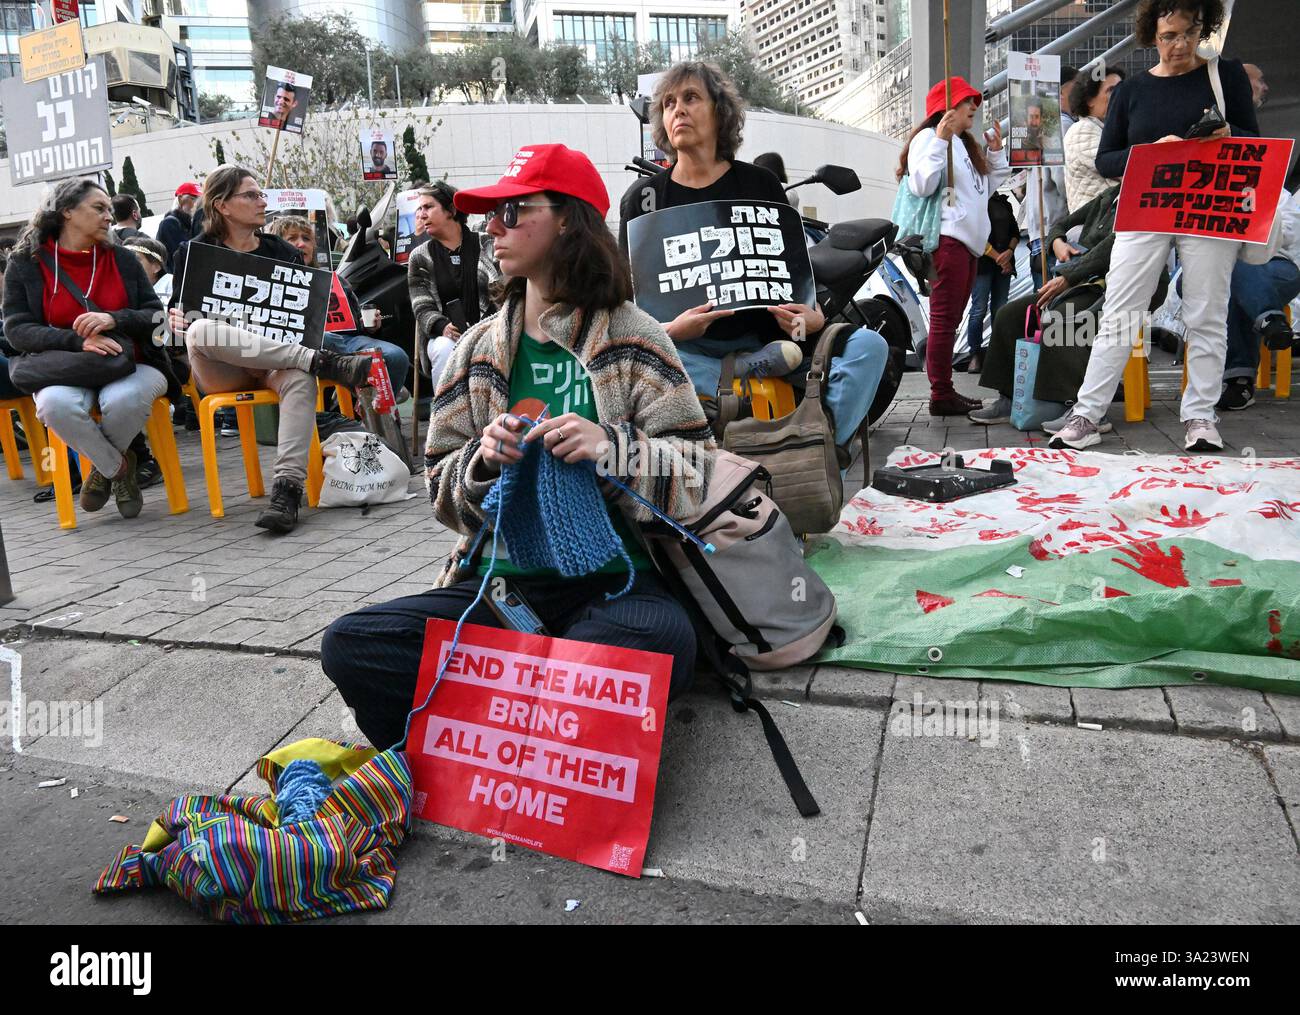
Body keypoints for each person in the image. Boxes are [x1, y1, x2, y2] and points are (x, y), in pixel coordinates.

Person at [320, 143, 716, 750]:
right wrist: (480, 463)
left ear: (568, 220)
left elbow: (695, 471)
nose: (493, 228)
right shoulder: (475, 350)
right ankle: (548, 703)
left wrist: (612, 447)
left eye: (514, 211)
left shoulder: (637, 337)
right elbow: (438, 488)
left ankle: (500, 707)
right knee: (352, 644)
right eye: (490, 215)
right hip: (497, 589)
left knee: (661, 644)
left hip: (617, 585)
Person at [620, 61, 890, 460]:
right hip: (686, 350)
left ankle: (824, 453)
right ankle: (742, 373)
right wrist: (671, 330)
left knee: (870, 348)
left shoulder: (760, 184)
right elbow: (629, 304)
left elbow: (792, 273)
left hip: (770, 340)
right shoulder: (643, 198)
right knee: (636, 364)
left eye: (691, 98)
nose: (677, 109)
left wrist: (810, 319)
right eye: (669, 103)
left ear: (720, 112)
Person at [1050, 0, 1259, 452]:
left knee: (1207, 313)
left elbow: (1254, 141)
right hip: (1148, 205)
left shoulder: (1226, 76)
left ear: (1203, 28)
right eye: (1168, 36)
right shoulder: (1132, 90)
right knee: (1121, 309)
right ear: (1152, 35)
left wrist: (1229, 136)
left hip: (1210, 204)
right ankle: (1087, 412)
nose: (1179, 44)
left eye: (1188, 33)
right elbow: (1108, 160)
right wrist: (1151, 152)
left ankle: (1200, 416)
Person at [168, 166, 375, 533]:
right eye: (251, 195)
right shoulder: (193, 252)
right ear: (222, 205)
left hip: (276, 359)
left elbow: (299, 319)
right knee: (199, 329)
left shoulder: (281, 250)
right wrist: (173, 321)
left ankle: (287, 490)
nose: (262, 202)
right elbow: (179, 320)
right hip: (221, 367)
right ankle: (321, 362)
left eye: (262, 194)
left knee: (298, 377)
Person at [2, 178, 183, 518]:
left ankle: (101, 469)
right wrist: (76, 338)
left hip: (134, 363)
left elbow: (155, 317)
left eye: (110, 211)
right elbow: (17, 330)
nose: (108, 217)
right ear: (67, 212)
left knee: (123, 401)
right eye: (99, 208)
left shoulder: (123, 259)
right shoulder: (27, 262)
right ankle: (119, 467)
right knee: (55, 406)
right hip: (65, 365)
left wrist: (113, 319)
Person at [970, 184, 1168, 426]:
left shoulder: (1147, 199)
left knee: (1062, 318)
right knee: (1010, 314)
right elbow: (1060, 224)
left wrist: (1070, 276)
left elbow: (1113, 246)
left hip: (1120, 285)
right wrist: (1057, 243)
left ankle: (1075, 405)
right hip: (1084, 281)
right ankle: (1010, 397)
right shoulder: (1109, 196)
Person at [899, 75, 1011, 414]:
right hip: (947, 242)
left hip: (967, 246)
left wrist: (995, 153)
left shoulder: (961, 144)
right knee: (945, 320)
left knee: (950, 320)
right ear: (946, 109)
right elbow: (921, 184)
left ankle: (943, 392)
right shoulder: (930, 139)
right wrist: (940, 139)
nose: (974, 106)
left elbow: (982, 191)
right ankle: (941, 394)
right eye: (966, 101)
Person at [266, 215, 410, 398]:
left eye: (306, 238)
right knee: (322, 338)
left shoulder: (335, 281)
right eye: (292, 238)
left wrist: (372, 327)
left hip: (346, 342)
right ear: (279, 244)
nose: (301, 244)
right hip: (303, 347)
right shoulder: (270, 282)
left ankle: (370, 409)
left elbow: (357, 327)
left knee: (396, 357)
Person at [407, 181, 499, 391]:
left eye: (428, 207)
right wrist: (442, 326)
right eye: (419, 209)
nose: (421, 215)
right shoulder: (419, 257)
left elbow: (503, 292)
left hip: (491, 330)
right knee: (444, 348)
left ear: (451, 209)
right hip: (444, 336)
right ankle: (448, 416)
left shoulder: (487, 244)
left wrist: (486, 329)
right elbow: (421, 306)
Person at [1216, 188, 1300, 410]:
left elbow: (1291, 233)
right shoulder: (1206, 187)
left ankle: (1238, 378)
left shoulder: (1274, 189)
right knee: (1234, 268)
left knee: (1242, 268)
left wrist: (1256, 220)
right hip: (1213, 266)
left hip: (1274, 264)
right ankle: (1270, 320)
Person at [964, 190, 1018, 374]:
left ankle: (998, 353)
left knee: (1001, 308)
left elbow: (1015, 231)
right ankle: (975, 354)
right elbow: (974, 234)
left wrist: (1009, 252)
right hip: (983, 263)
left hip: (1005, 262)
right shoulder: (974, 200)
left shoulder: (1004, 202)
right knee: (979, 308)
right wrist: (999, 258)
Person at [1063, 66, 1127, 212]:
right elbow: (1128, 173)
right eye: (1111, 90)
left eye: (1122, 89)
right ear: (1089, 99)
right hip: (1096, 227)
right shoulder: (1083, 131)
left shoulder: (1107, 129)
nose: (1120, 95)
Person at [156, 182, 200, 272]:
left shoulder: (188, 223)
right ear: (180, 199)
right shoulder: (170, 223)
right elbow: (183, 257)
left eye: (200, 200)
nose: (197, 203)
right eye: (193, 199)